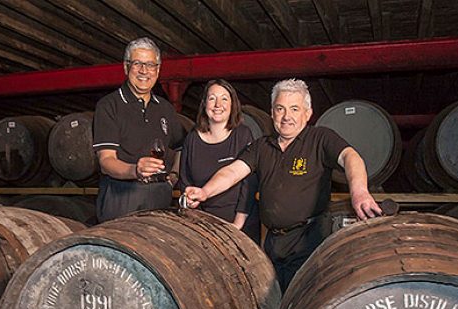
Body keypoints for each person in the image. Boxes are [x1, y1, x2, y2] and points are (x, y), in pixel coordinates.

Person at [184, 78, 382, 291]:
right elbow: (232, 172)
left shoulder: (320, 138)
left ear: (307, 113)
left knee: (301, 304)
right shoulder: (262, 146)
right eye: (280, 109)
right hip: (273, 243)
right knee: (273, 301)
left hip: (309, 239)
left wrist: (359, 191)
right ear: (272, 113)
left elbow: (350, 157)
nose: (286, 116)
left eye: (294, 109)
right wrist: (205, 191)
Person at [92, 37, 184, 222]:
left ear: (158, 70)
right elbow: (106, 161)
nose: (144, 71)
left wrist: (173, 175)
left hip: (160, 195)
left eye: (150, 64)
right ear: (126, 67)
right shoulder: (110, 105)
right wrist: (135, 170)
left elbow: (181, 147)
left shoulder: (165, 108)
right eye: (137, 64)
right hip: (122, 195)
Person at [179, 79, 261, 243]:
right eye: (212, 98)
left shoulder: (242, 135)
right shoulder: (192, 139)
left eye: (224, 98)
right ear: (204, 104)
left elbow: (249, 184)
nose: (218, 104)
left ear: (233, 105)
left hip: (239, 223)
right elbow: (185, 180)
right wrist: (191, 205)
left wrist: (237, 225)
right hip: (204, 225)